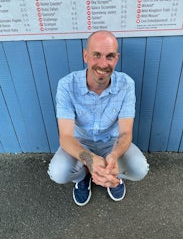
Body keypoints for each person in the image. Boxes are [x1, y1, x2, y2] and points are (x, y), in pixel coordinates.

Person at [48, 30, 149, 206]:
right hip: (80, 142)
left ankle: (111, 175)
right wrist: (91, 160)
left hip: (112, 141)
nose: (103, 64)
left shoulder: (126, 84)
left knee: (140, 169)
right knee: (57, 172)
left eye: (110, 56)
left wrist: (113, 159)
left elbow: (125, 133)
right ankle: (83, 177)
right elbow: (66, 137)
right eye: (96, 55)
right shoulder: (66, 85)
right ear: (85, 56)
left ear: (116, 58)